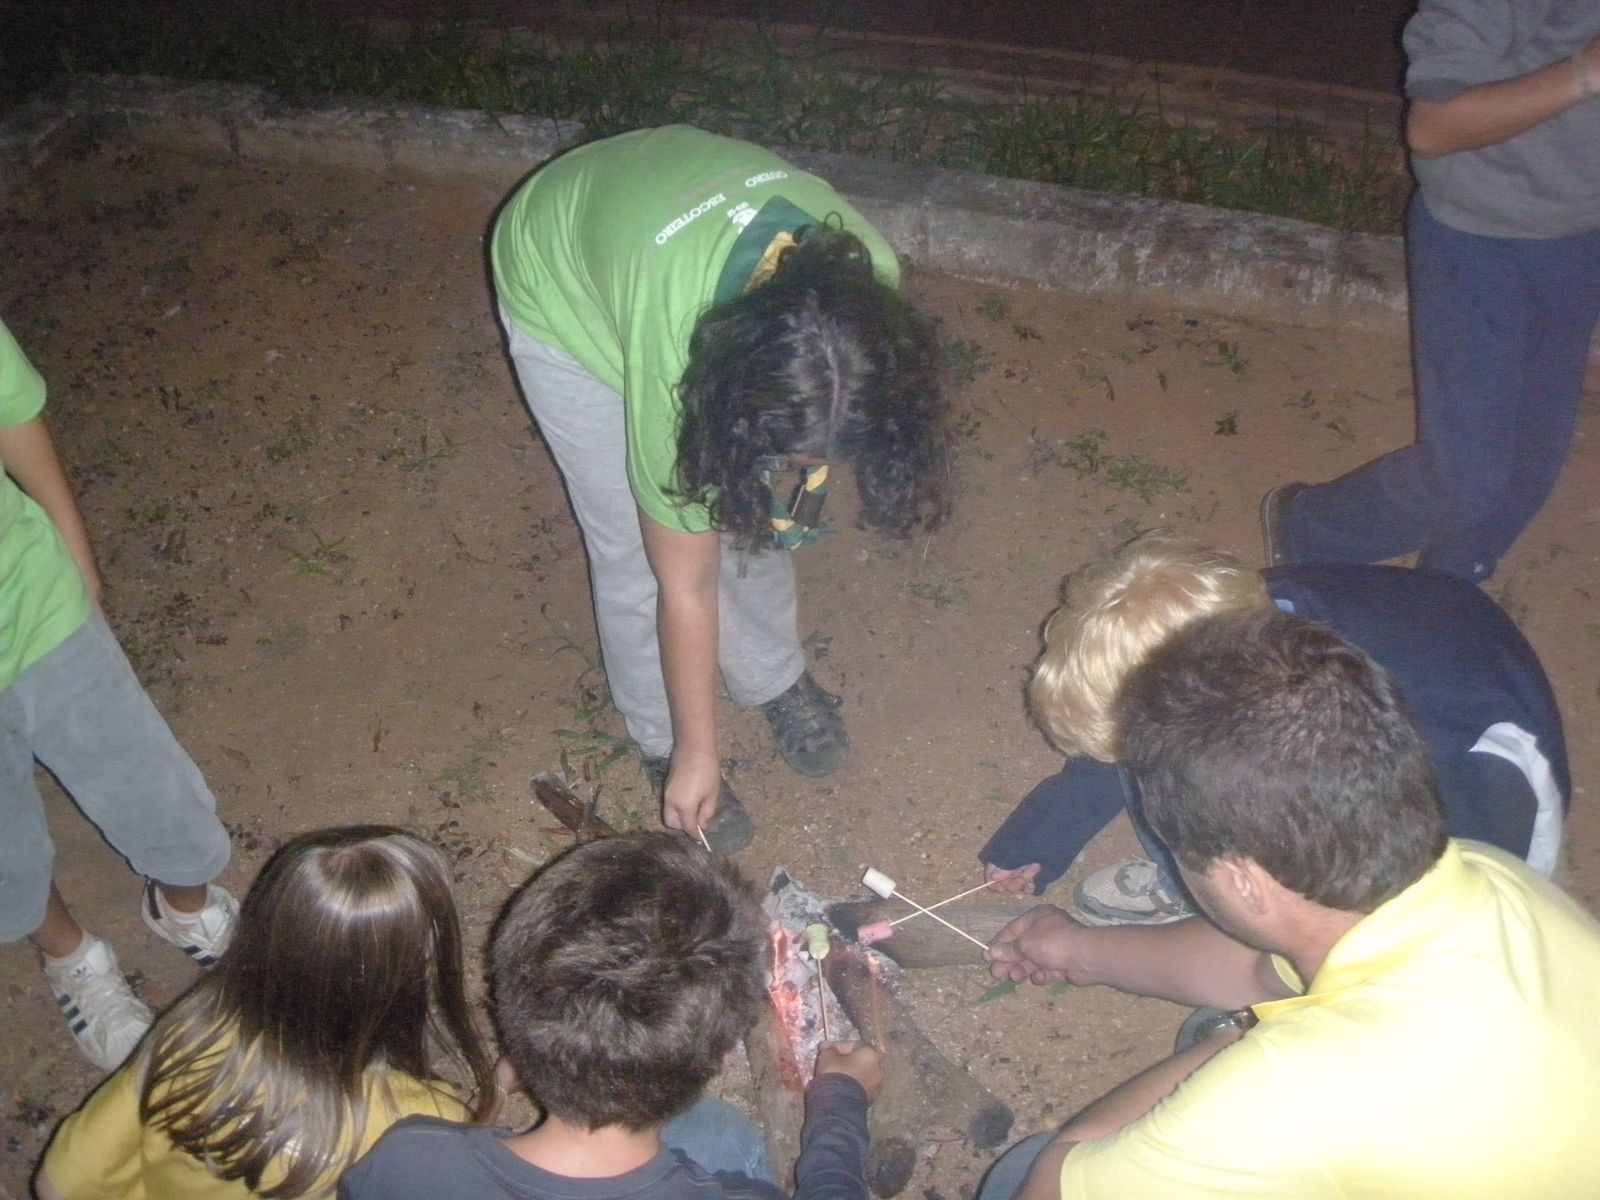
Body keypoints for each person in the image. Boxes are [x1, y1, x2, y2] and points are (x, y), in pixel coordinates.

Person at [980, 609, 1600, 1197]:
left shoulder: (1295, 1090)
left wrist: (1236, 1045)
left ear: (1244, 881)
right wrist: (1078, 950)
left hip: (1320, 1096)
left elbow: (1054, 1184)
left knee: (1019, 1170)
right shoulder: (1486, 873)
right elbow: (1256, 968)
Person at [490, 125, 951, 852]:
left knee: (747, 517)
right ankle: (660, 736)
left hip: (654, 227)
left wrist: (779, 483)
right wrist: (697, 751)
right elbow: (686, 586)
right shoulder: (676, 359)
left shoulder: (867, 296)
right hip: (560, 269)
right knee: (636, 550)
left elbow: (787, 473)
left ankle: (772, 676)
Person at [979, 535, 1567, 924]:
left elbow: (1460, 890)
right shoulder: (1221, 614)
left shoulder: (1396, 751)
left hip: (1474, 819)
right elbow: (1132, 729)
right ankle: (1199, 884)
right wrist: (1041, 837)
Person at [339, 831, 883, 1200]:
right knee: (721, 1132)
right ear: (720, 1055)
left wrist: (495, 1093)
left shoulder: (404, 1157)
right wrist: (839, 1105)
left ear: (514, 1018)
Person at [1261, 3, 1600, 582]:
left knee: (1530, 466)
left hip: (1579, 236)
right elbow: (1433, 128)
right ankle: (1308, 528)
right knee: (1464, 477)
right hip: (1480, 238)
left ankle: (1448, 583)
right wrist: (1586, 72)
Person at [1, 315, 237, 1070]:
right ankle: (71, 957)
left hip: (30, 601)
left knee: (154, 789)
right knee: (6, 857)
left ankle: (187, 908)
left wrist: (75, 552)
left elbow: (11, 410)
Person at [35, 825, 497, 1200]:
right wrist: (495, 1093)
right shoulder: (415, 1117)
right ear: (411, 974)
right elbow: (456, 1162)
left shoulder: (188, 1036)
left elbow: (57, 1185)